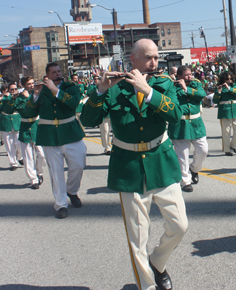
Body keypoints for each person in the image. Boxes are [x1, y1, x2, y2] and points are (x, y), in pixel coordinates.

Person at [80, 39, 188, 290]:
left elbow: (174, 116)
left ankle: (157, 262)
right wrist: (100, 91)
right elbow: (88, 119)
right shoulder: (115, 88)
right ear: (133, 59)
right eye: (148, 57)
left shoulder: (163, 84)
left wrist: (148, 92)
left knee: (180, 225)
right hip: (128, 166)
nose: (154, 62)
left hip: (161, 162)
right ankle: (147, 286)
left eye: (156, 57)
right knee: (137, 238)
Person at [24, 62, 86, 219]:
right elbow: (28, 112)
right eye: (54, 72)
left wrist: (55, 90)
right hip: (50, 135)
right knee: (56, 172)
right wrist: (36, 95)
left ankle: (71, 191)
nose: (58, 74)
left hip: (71, 133)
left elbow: (73, 103)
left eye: (59, 71)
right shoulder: (41, 91)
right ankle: (61, 204)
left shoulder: (71, 87)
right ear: (47, 75)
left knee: (78, 165)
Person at [168, 65, 208, 193]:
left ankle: (194, 169)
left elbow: (202, 94)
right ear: (179, 76)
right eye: (186, 75)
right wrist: (175, 85)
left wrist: (186, 89)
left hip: (196, 124)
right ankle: (185, 181)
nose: (189, 76)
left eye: (190, 74)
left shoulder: (195, 85)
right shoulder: (172, 87)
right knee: (182, 155)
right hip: (180, 125)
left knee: (203, 150)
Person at [16, 76, 46, 189]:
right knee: (28, 156)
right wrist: (30, 99)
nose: (32, 86)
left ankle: (39, 172)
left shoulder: (39, 95)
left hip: (36, 126)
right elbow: (27, 113)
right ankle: (33, 179)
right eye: (29, 84)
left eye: (33, 83)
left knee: (41, 154)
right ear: (23, 85)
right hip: (25, 127)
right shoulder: (19, 98)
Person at [0, 83, 24, 170]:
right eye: (12, 89)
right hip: (5, 123)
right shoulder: (3, 98)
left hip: (17, 121)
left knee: (19, 143)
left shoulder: (19, 97)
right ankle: (13, 163)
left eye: (15, 89)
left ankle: (20, 157)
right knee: (9, 145)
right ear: (8, 90)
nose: (14, 91)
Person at [213, 71, 236, 156]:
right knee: (226, 132)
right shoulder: (219, 87)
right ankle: (227, 150)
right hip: (225, 110)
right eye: (227, 79)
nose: (229, 81)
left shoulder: (233, 86)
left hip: (235, 109)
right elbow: (215, 100)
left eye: (230, 79)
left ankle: (234, 145)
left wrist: (229, 88)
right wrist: (218, 93)